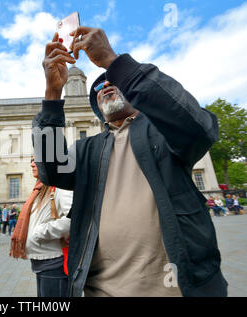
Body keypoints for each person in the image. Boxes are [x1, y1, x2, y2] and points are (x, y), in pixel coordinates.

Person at [33, 26, 227, 297]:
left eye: (115, 81)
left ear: (135, 94)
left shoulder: (162, 129)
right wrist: (52, 95)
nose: (106, 86)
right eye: (99, 87)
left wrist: (112, 61)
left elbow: (198, 128)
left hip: (175, 290)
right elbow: (50, 170)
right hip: (100, 290)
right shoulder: (88, 148)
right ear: (98, 111)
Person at [10, 158, 72, 297]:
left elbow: (74, 220)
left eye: (36, 160)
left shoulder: (60, 186)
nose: (31, 164)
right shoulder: (40, 188)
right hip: (41, 263)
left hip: (54, 264)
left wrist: (39, 232)